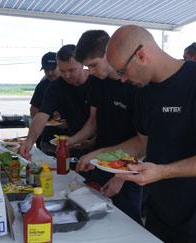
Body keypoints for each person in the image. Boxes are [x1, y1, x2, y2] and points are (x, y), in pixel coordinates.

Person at [77, 25, 196, 242]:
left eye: (122, 71)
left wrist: (163, 171)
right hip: (160, 218)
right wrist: (99, 156)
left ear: (141, 56)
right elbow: (142, 142)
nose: (122, 79)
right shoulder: (144, 93)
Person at [70, 29, 142, 224]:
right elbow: (92, 123)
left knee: (127, 223)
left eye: (93, 65)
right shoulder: (96, 82)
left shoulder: (135, 85)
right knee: (95, 219)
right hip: (100, 162)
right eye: (87, 67)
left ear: (108, 54)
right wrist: (70, 141)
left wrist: (122, 177)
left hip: (129, 168)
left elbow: (145, 142)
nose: (90, 72)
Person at [19, 44, 92, 160]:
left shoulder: (95, 82)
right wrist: (29, 141)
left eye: (71, 70)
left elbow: (96, 120)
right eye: (62, 71)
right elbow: (42, 114)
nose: (67, 76)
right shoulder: (56, 86)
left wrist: (91, 141)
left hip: (98, 145)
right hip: (73, 143)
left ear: (82, 64)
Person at [29, 52, 65, 155]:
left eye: (52, 69)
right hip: (48, 141)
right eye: (46, 70)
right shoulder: (43, 86)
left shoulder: (71, 83)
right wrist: (49, 118)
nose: (49, 73)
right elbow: (33, 111)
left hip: (73, 140)